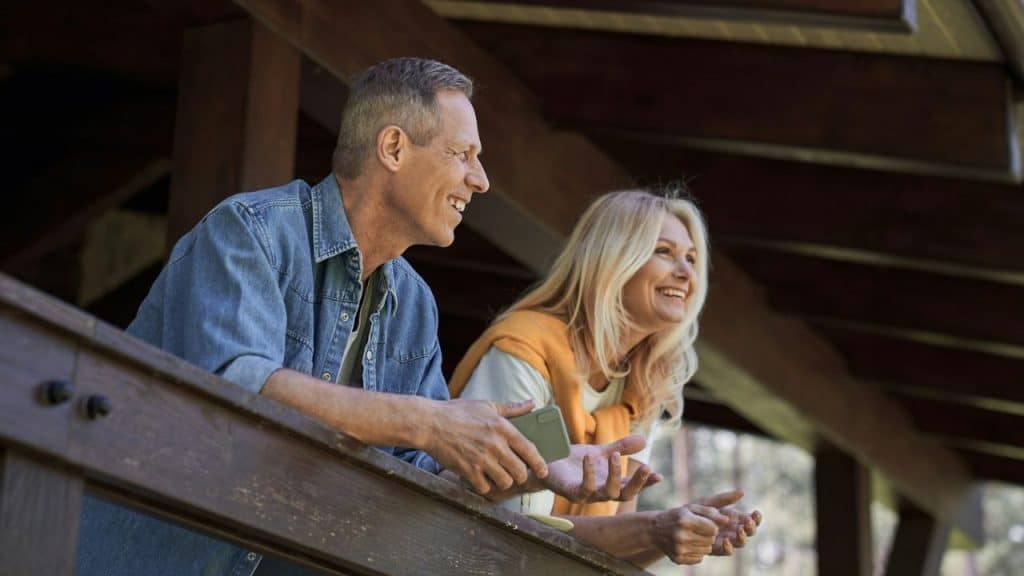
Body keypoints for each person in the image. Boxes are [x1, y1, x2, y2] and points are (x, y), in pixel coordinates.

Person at [77, 58, 656, 576]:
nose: (480, 180)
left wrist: (544, 462)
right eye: (463, 155)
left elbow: (425, 475)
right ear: (394, 148)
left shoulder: (416, 304)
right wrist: (428, 422)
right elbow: (236, 390)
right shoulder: (250, 231)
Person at [450, 188, 763, 566]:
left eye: (692, 258)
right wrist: (652, 528)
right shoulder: (525, 350)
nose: (686, 274)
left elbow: (608, 559)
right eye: (663, 252)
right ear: (613, 259)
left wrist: (679, 534)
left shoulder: (641, 389)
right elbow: (506, 526)